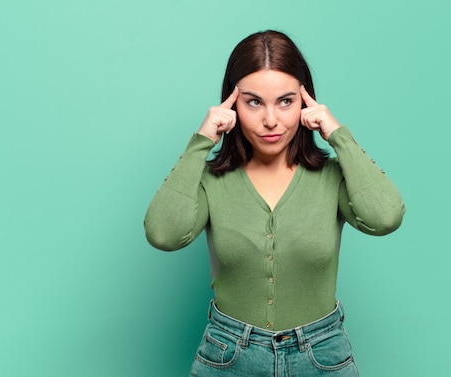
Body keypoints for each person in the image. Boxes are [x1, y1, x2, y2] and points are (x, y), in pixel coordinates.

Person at [144, 30, 405, 377]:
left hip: (321, 356)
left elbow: (386, 217)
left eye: (286, 101)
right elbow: (163, 234)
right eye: (254, 102)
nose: (271, 120)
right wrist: (201, 143)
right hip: (228, 355)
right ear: (231, 104)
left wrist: (338, 136)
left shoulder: (333, 177)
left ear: (306, 103)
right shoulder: (209, 181)